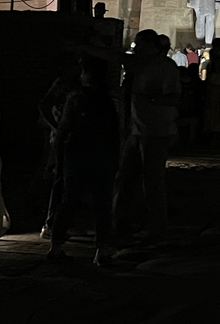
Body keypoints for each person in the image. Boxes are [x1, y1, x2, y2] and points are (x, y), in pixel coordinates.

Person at [47, 56, 120, 264]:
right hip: (101, 155)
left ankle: (56, 246)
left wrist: (59, 157)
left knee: (68, 200)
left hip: (76, 154)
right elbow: (115, 132)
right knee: (102, 203)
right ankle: (102, 251)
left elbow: (63, 130)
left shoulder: (76, 97)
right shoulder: (109, 99)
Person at [113, 29, 181, 245]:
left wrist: (148, 99)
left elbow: (174, 99)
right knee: (124, 180)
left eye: (139, 44)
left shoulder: (165, 67)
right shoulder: (141, 65)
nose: (136, 48)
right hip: (136, 131)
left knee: (152, 182)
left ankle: (157, 230)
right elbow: (116, 57)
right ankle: (120, 225)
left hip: (156, 132)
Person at [37, 53, 82, 239]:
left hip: (70, 137)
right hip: (62, 138)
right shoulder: (62, 84)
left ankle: (62, 222)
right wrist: (58, 127)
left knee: (68, 181)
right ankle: (51, 223)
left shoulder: (75, 85)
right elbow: (44, 105)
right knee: (61, 180)